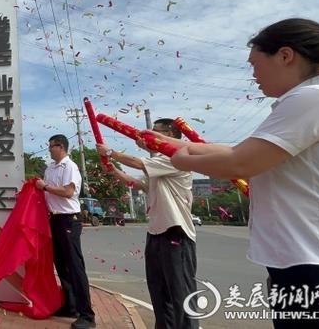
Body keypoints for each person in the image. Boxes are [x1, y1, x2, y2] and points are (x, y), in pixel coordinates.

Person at [163, 18, 319, 328]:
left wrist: (181, 159)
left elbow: (239, 162)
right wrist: (170, 144)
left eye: (255, 63)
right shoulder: (316, 100)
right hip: (305, 262)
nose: (253, 75)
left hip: (315, 265)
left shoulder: (313, 99)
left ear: (286, 56)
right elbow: (239, 150)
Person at [96, 119, 197, 329]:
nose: (148, 135)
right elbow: (141, 185)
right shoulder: (159, 163)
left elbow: (138, 163)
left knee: (181, 295)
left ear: (169, 133)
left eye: (154, 132)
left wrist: (111, 152)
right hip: (156, 233)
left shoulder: (178, 157)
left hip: (176, 233)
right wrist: (114, 171)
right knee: (159, 294)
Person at [34, 134, 96, 329]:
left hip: (69, 219)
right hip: (54, 219)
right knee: (61, 264)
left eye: (51, 146)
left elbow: (68, 192)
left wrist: (45, 187)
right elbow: (46, 192)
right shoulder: (50, 168)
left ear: (60, 147)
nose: (49, 149)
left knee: (75, 266)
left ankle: (87, 314)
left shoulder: (70, 167)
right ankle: (70, 305)